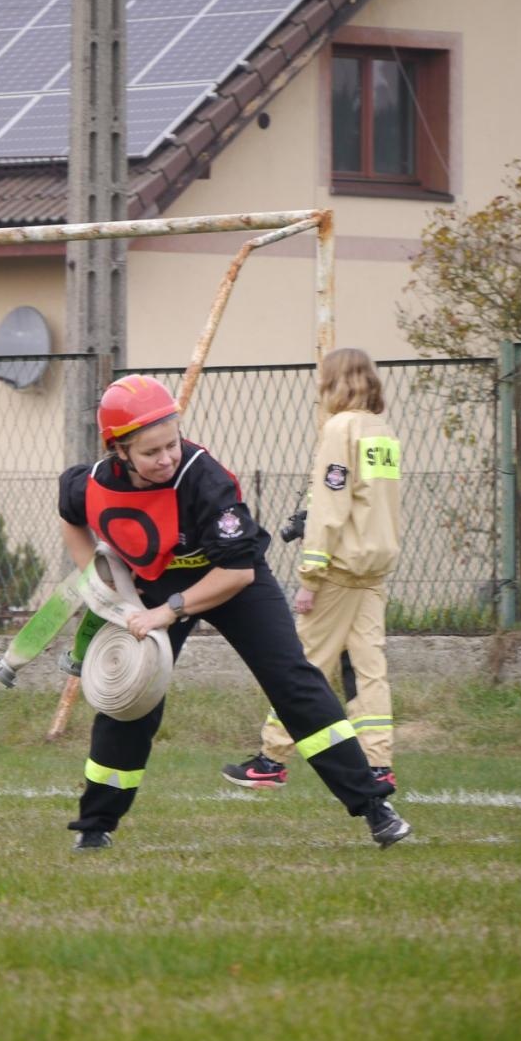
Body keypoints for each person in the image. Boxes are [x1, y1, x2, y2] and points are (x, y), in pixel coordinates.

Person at [58, 372, 411, 851]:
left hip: (231, 577)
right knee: (132, 701)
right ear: (118, 451)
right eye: (150, 452)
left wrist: (167, 612)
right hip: (159, 583)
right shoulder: (92, 482)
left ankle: (374, 807)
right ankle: (95, 826)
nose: (166, 458)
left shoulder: (206, 479)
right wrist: (104, 590)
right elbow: (71, 516)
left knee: (294, 682)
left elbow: (238, 575)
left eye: (172, 444)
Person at [222, 348, 399, 792]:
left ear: (333, 383)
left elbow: (330, 506)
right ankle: (378, 762)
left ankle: (272, 759)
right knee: (369, 668)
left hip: (339, 569)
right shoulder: (382, 431)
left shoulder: (339, 429)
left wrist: (310, 576)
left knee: (301, 666)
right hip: (374, 567)